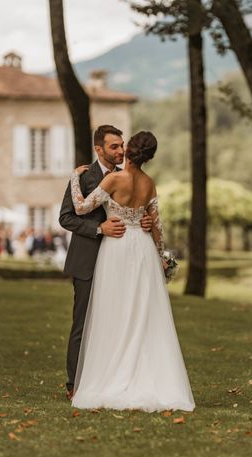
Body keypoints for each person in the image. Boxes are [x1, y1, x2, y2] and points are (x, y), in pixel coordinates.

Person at [68, 131, 194, 412]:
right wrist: (161, 256)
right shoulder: (150, 184)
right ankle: (147, 375)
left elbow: (80, 206)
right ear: (149, 156)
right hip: (143, 251)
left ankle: (113, 374)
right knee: (143, 313)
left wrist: (74, 178)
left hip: (117, 247)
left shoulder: (113, 179)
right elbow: (158, 228)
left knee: (114, 311)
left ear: (129, 151)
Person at [58, 125, 153, 401]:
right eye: (114, 146)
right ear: (98, 149)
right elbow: (66, 218)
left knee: (117, 321)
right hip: (89, 260)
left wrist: (145, 221)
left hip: (122, 261)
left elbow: (143, 210)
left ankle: (113, 377)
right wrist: (100, 229)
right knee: (83, 324)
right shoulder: (85, 176)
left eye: (122, 145)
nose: (121, 150)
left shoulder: (131, 176)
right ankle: (74, 383)